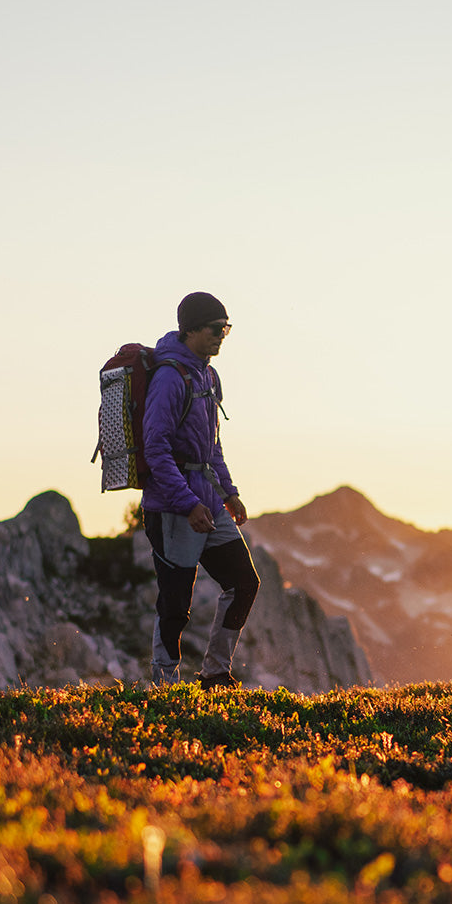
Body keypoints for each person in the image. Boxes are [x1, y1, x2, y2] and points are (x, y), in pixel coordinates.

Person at [141, 291, 259, 688]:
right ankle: (165, 685)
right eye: (215, 327)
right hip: (174, 509)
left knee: (244, 583)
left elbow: (211, 445)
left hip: (208, 502)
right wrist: (188, 503)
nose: (222, 335)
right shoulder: (169, 378)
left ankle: (215, 674)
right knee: (175, 603)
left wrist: (229, 491)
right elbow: (155, 448)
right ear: (191, 329)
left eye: (226, 327)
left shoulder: (207, 375)